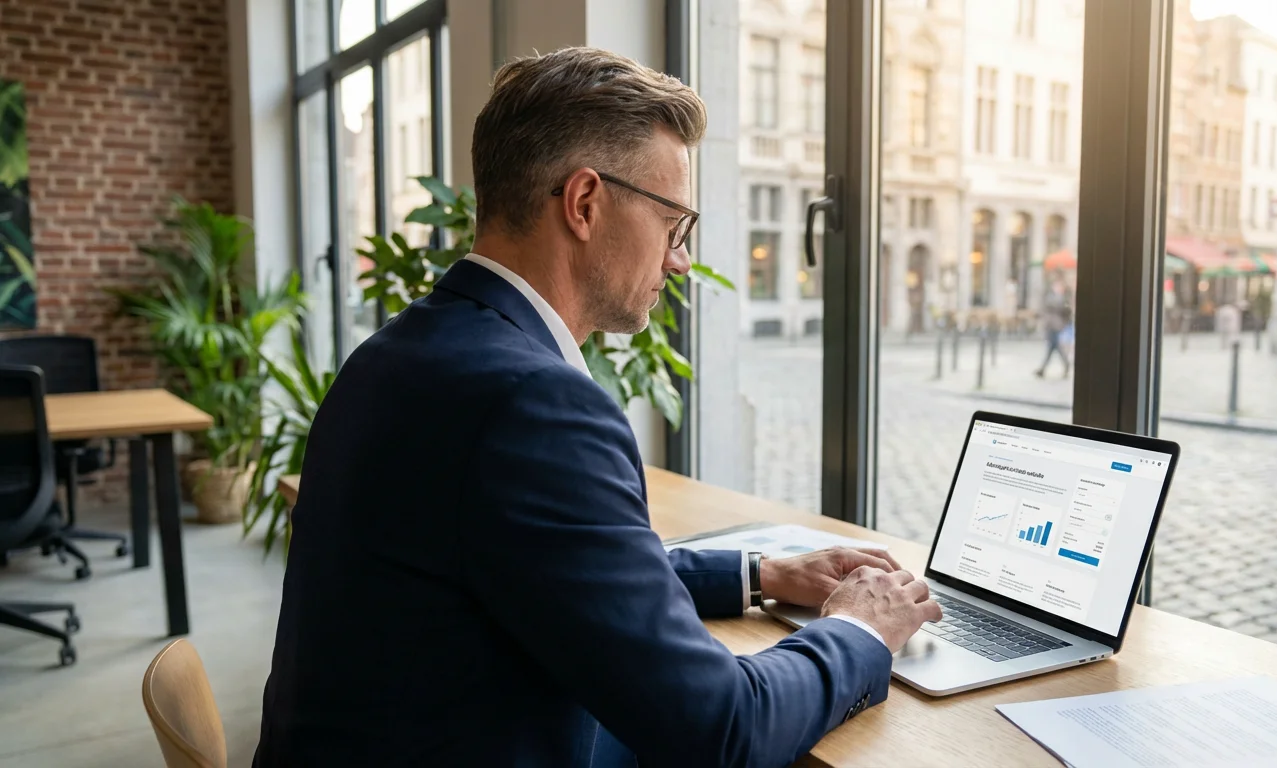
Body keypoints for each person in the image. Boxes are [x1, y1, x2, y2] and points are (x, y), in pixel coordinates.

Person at [254, 47, 941, 768]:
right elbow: (723, 729)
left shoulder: (398, 352)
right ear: (585, 203)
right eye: (674, 222)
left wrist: (762, 573)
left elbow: (540, 565)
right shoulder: (534, 405)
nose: (679, 259)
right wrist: (860, 629)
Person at [1035, 278, 1072, 379]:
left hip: (1057, 325)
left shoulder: (1063, 298)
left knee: (1054, 346)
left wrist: (1064, 323)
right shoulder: (1051, 296)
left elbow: (1067, 312)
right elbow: (1044, 308)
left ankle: (1043, 369)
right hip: (1050, 324)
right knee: (1053, 346)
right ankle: (1044, 369)